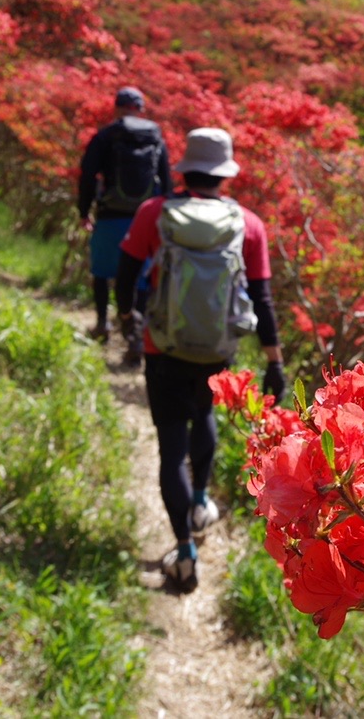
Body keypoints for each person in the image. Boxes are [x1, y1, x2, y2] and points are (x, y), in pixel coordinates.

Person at [115, 127, 286, 592]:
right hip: (217, 350)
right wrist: (275, 362)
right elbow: (262, 299)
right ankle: (199, 499)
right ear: (225, 173)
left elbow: (125, 272)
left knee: (171, 448)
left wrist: (128, 321)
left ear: (185, 168)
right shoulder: (249, 224)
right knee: (205, 412)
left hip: (162, 346)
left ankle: (184, 553)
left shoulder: (155, 212)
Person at [77, 86, 171, 366]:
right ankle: (136, 339)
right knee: (140, 279)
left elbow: (87, 174)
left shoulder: (106, 135)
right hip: (146, 219)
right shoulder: (156, 137)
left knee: (102, 271)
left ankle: (102, 324)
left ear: (116, 107)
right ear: (140, 109)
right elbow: (166, 182)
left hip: (109, 213)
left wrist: (84, 210)